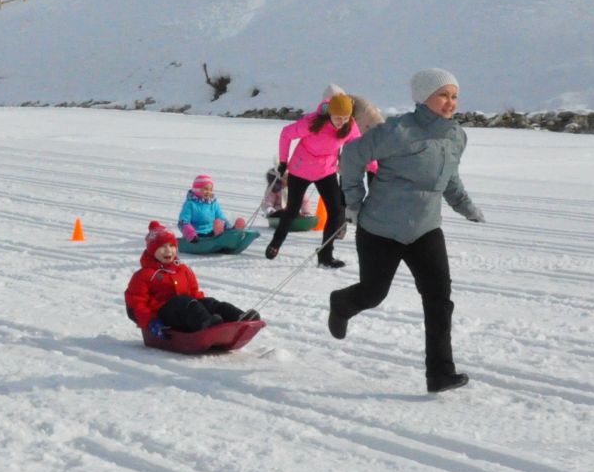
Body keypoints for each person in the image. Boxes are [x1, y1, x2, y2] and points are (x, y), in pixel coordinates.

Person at [328, 67, 485, 394]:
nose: (450, 102)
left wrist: (464, 205)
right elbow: (353, 156)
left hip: (426, 229)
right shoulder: (397, 131)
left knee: (439, 299)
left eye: (454, 96)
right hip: (381, 229)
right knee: (373, 293)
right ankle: (342, 304)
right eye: (443, 95)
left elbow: (449, 177)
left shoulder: (456, 136)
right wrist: (353, 202)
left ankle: (440, 373)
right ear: (423, 97)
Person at [267, 87, 363, 267]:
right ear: (330, 114)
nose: (341, 122)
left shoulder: (350, 126)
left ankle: (325, 256)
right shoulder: (312, 122)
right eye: (337, 118)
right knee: (292, 210)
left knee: (336, 211)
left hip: (325, 172)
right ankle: (276, 243)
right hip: (300, 170)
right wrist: (283, 161)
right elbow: (286, 134)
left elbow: (357, 147)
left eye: (345, 118)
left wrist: (374, 167)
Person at [124, 223, 256, 335]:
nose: (168, 251)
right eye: (162, 247)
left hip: (186, 312)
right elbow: (135, 305)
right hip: (163, 317)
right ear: (153, 250)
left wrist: (204, 304)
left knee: (209, 302)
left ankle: (239, 318)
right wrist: (150, 321)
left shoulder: (183, 270)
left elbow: (194, 293)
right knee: (185, 301)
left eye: (171, 246)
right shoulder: (144, 275)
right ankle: (207, 325)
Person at [178, 174, 248, 241]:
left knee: (219, 222)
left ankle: (234, 233)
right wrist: (190, 233)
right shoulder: (190, 204)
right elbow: (183, 222)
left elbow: (221, 217)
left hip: (212, 232)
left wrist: (227, 227)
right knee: (217, 226)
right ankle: (220, 239)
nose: (208, 192)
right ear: (197, 189)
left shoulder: (213, 203)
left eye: (210, 189)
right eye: (205, 189)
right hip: (196, 235)